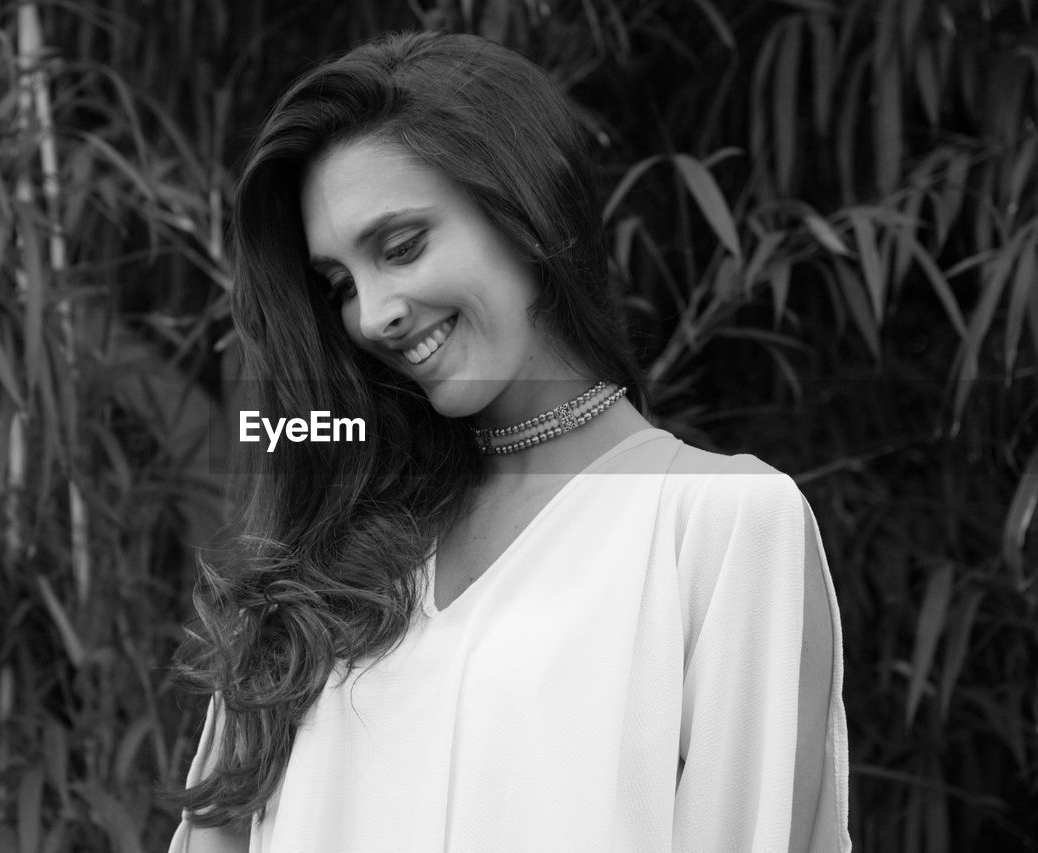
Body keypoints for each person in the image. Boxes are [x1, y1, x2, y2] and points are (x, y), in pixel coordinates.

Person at [169, 30, 850, 853]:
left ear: (522, 211)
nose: (373, 312)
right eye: (340, 285)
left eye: (403, 246)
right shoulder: (322, 546)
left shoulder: (718, 527)